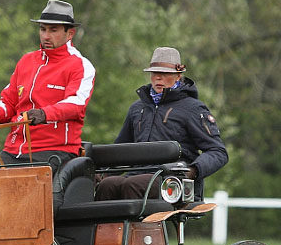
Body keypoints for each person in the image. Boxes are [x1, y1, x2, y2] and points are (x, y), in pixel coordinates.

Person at [95, 47, 227, 201]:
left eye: (164, 73)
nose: (158, 78)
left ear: (178, 76)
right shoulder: (137, 108)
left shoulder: (193, 109)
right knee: (108, 185)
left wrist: (192, 170)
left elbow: (218, 152)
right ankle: (105, 226)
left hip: (173, 179)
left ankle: (140, 226)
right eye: (154, 73)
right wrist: (103, 172)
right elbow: (122, 149)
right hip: (137, 175)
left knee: (132, 185)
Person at [0, 0, 95, 174]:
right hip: (12, 151)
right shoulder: (26, 61)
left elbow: (76, 104)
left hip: (53, 151)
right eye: (43, 29)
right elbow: (9, 101)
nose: (46, 36)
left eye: (53, 30)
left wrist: (45, 114)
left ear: (70, 33)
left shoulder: (80, 65)